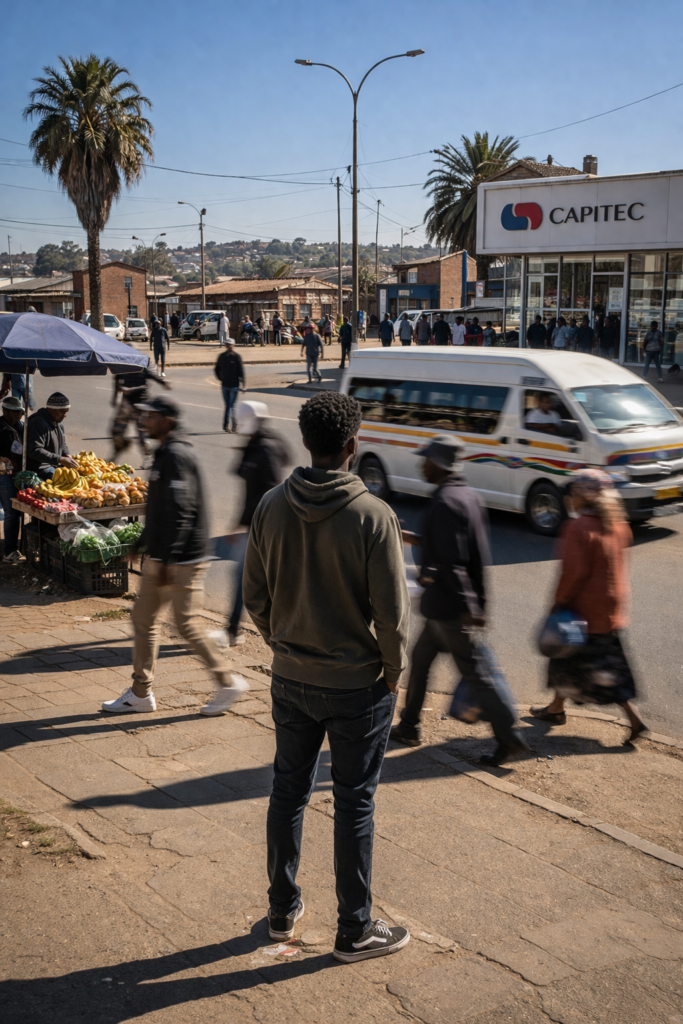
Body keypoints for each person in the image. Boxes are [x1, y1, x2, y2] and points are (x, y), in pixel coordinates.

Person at [243, 391, 411, 962]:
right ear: (352, 445)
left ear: (307, 443)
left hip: (290, 678)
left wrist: (282, 642)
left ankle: (281, 910)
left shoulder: (270, 505)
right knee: (353, 803)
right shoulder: (373, 516)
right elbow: (391, 615)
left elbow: (254, 598)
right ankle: (354, 929)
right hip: (357, 687)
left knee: (287, 791)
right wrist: (393, 672)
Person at [102, 396, 248, 717]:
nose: (143, 421)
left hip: (181, 559)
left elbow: (181, 511)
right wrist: (140, 544)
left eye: (150, 416)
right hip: (164, 556)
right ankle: (141, 693)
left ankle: (227, 682)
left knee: (186, 625)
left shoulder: (177, 454)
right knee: (143, 619)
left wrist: (168, 558)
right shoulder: (165, 452)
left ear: (167, 420)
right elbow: (159, 509)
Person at [393, 435, 529, 765]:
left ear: (437, 464)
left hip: (450, 609)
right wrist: (412, 537)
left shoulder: (445, 502)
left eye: (425, 459)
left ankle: (510, 739)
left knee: (476, 674)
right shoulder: (465, 496)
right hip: (444, 606)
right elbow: (448, 545)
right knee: (421, 660)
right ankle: (409, 725)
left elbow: (452, 562)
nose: (420, 464)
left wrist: (469, 607)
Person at [531, 469, 647, 745]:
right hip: (611, 608)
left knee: (594, 668)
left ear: (582, 496)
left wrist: (557, 603)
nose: (569, 499)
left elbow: (573, 573)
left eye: (571, 493)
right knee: (572, 660)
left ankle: (635, 719)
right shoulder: (618, 524)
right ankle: (556, 708)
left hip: (583, 612)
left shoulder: (578, 527)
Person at [222, 400, 291, 646]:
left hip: (264, 527)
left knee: (247, 578)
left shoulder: (266, 448)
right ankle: (234, 629)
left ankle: (236, 631)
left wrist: (244, 525)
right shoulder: (255, 445)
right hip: (254, 525)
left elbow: (267, 492)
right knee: (247, 578)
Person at [111, 365, 170, 461]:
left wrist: (163, 382)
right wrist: (115, 397)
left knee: (142, 434)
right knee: (116, 431)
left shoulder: (142, 366)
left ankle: (148, 457)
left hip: (141, 404)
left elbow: (149, 381)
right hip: (126, 403)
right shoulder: (122, 366)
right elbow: (117, 381)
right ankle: (118, 451)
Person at [26, 392, 78, 478]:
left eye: (66, 412)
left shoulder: (58, 423)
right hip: (40, 469)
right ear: (51, 409)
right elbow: (35, 450)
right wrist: (60, 459)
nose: (65, 415)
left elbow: (62, 442)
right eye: (62, 412)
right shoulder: (38, 423)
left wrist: (66, 455)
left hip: (54, 464)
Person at [0, 396, 25, 563]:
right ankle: (9, 550)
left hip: (16, 474)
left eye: (20, 412)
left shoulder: (21, 427)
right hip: (3, 475)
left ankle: (11, 549)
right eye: (15, 412)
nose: (18, 415)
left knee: (14, 511)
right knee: (11, 512)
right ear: (5, 411)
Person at [214, 340, 246, 432]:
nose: (229, 347)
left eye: (231, 345)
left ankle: (229, 424)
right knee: (228, 405)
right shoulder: (222, 357)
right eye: (228, 345)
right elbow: (216, 369)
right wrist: (221, 378)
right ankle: (231, 425)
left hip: (234, 385)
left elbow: (241, 371)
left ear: (233, 345)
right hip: (225, 385)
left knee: (231, 405)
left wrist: (243, 385)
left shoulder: (236, 357)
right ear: (226, 346)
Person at [300, 318, 324, 382]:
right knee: (308, 368)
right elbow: (303, 345)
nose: (306, 331)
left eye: (307, 329)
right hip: (309, 354)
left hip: (315, 354)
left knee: (315, 368)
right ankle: (310, 380)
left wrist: (322, 354)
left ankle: (319, 377)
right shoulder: (306, 337)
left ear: (311, 329)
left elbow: (321, 345)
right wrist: (301, 352)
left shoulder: (317, 336)